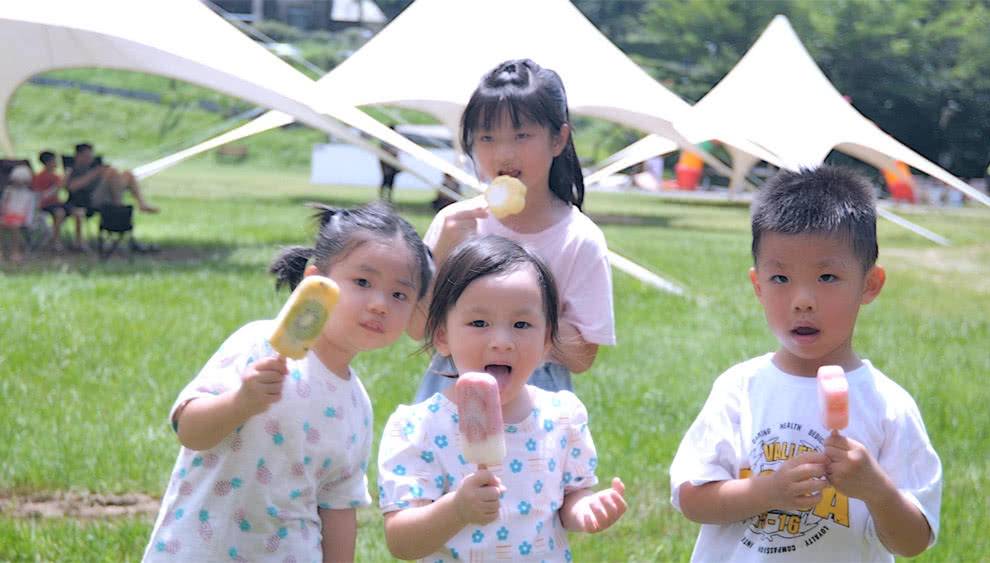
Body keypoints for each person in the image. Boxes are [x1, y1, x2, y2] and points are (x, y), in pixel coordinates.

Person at [669, 166, 941, 562]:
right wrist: (770, 491)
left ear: (870, 285)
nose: (802, 300)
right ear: (758, 286)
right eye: (780, 278)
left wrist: (876, 490)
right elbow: (692, 498)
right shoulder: (740, 389)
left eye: (827, 276)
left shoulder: (888, 407)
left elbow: (913, 541)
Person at [142, 201, 434, 563]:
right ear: (315, 284)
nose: (379, 304)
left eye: (399, 294)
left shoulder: (358, 404)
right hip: (200, 550)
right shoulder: (259, 343)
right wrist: (241, 402)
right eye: (362, 282)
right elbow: (189, 431)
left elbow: (338, 508)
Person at [378, 234, 628, 562]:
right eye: (479, 322)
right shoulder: (418, 428)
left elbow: (570, 499)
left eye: (522, 324)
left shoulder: (563, 416)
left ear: (546, 341)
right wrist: (456, 509)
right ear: (442, 336)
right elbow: (401, 543)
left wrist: (585, 509)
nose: (502, 341)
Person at [409, 58, 615, 402]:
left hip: (538, 397)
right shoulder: (453, 223)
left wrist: (520, 315)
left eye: (522, 136)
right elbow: (417, 329)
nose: (504, 153)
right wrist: (442, 253)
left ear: (558, 139)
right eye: (487, 138)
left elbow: (583, 357)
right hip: (451, 391)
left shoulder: (580, 239)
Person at [66, 142, 158, 251]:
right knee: (112, 172)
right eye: (86, 156)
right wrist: (94, 174)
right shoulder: (72, 170)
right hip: (88, 199)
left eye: (90, 156)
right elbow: (71, 187)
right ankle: (118, 206)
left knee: (127, 174)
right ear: (78, 156)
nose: (89, 159)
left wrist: (103, 173)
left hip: (106, 196)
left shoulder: (94, 166)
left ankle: (141, 203)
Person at [32, 151, 68, 252]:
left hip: (56, 203)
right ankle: (56, 241)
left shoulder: (56, 176)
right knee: (60, 213)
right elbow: (41, 196)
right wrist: (57, 187)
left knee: (77, 211)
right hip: (45, 205)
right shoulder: (40, 177)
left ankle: (79, 241)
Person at [0, 164, 34, 263]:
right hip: (9, 215)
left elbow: (28, 211)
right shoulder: (9, 191)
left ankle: (15, 251)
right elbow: (4, 206)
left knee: (14, 225)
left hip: (21, 218)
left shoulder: (29, 194)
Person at [379, 126, 402, 202]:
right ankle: (382, 198)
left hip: (392, 165)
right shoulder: (385, 141)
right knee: (385, 181)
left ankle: (388, 198)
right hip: (386, 164)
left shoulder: (395, 141)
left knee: (390, 182)